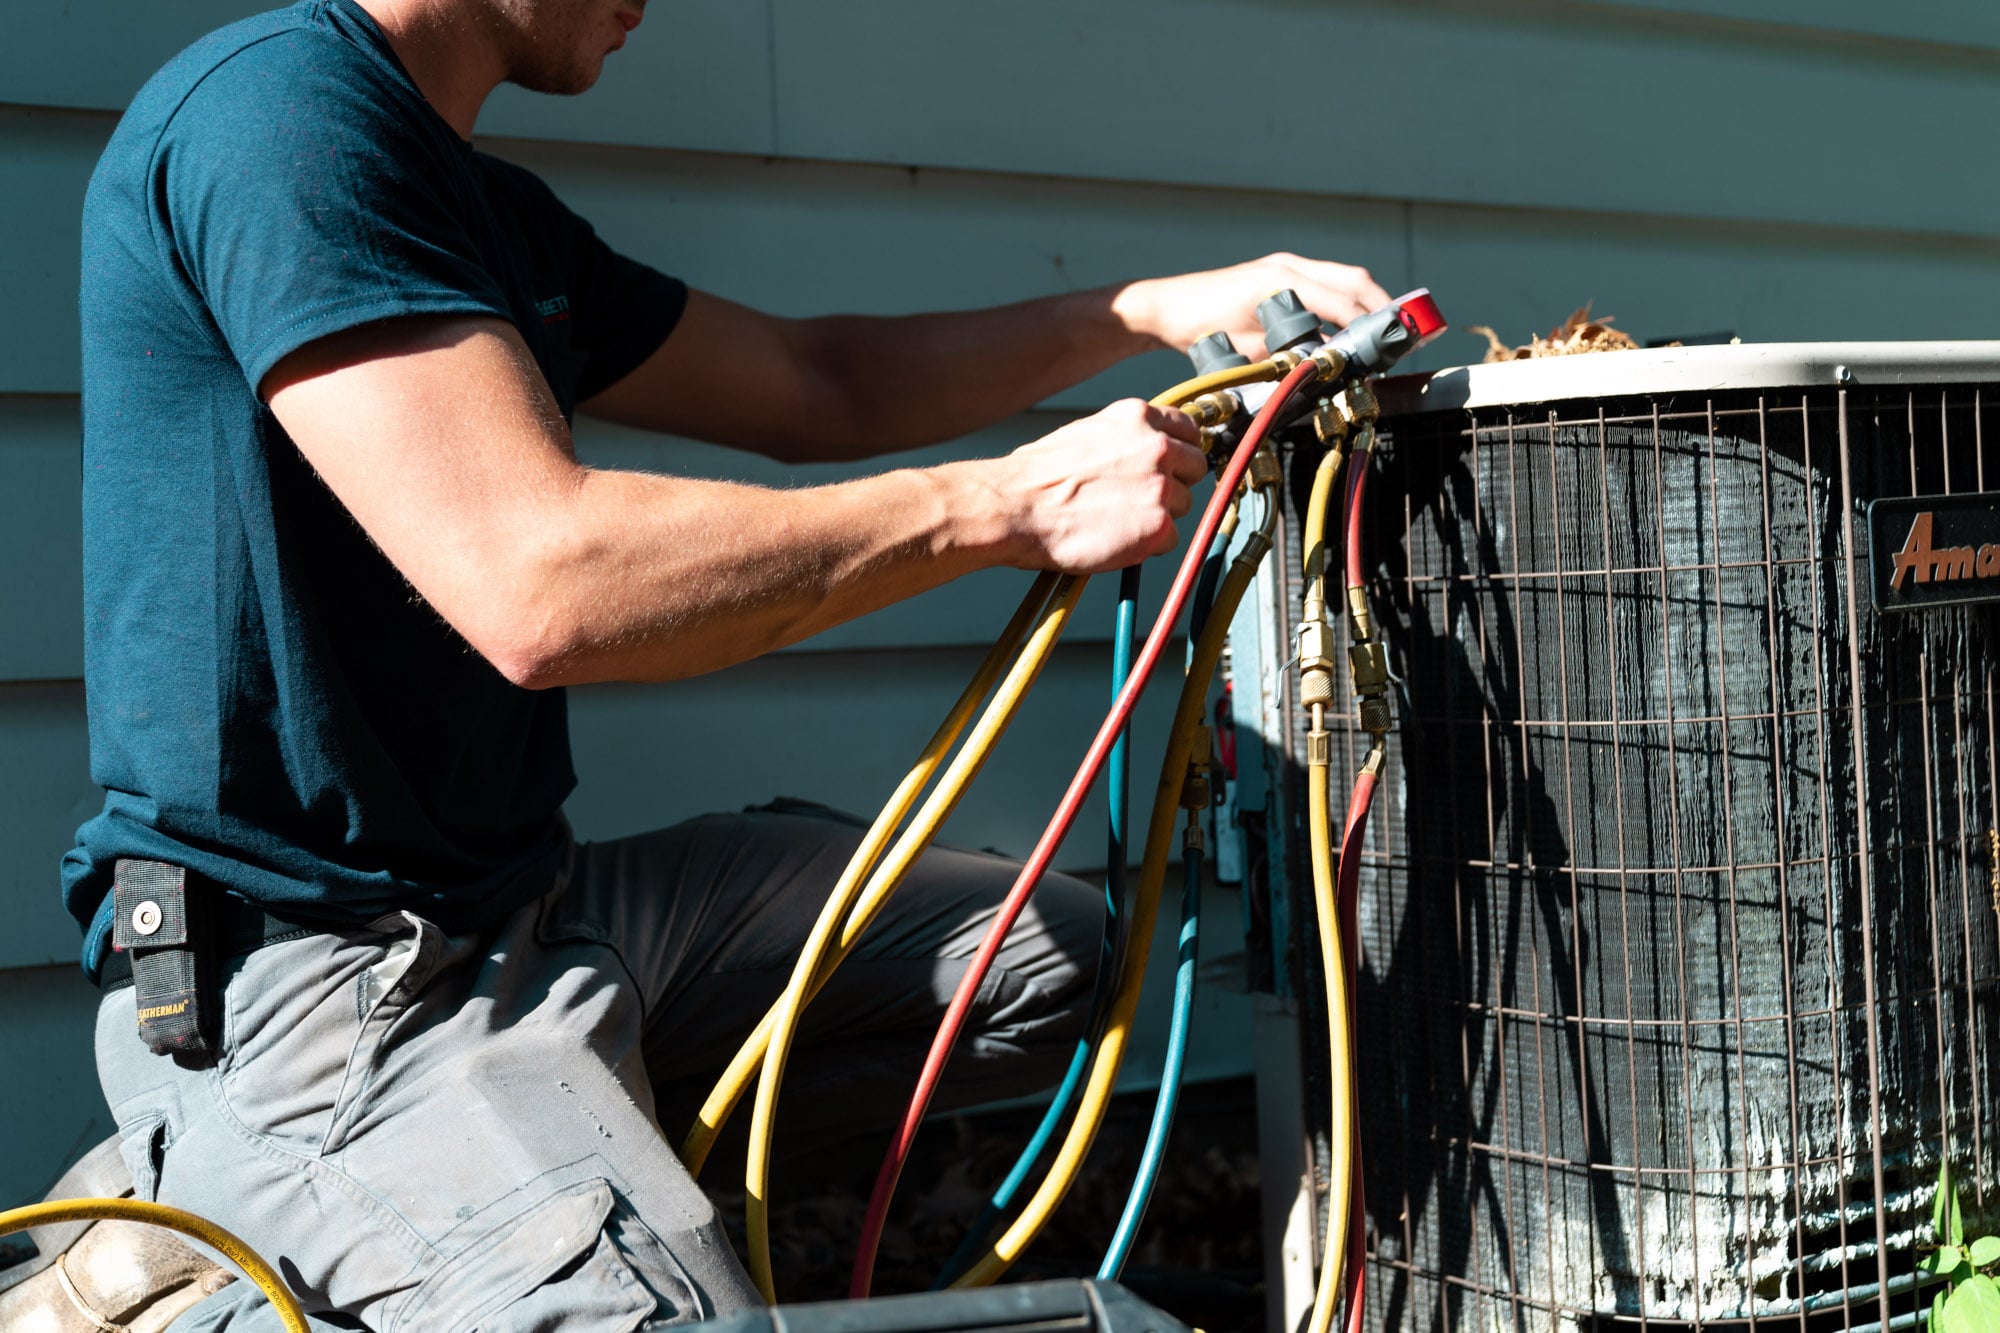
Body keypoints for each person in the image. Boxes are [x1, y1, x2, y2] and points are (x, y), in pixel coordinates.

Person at [63, 0, 1391, 1326]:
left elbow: (817, 383)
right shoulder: (280, 125)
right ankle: (247, 1198)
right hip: (324, 981)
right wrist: (1007, 506)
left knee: (1052, 960)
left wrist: (1147, 309)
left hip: (527, 909)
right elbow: (544, 582)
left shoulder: (475, 203)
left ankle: (483, 1170)